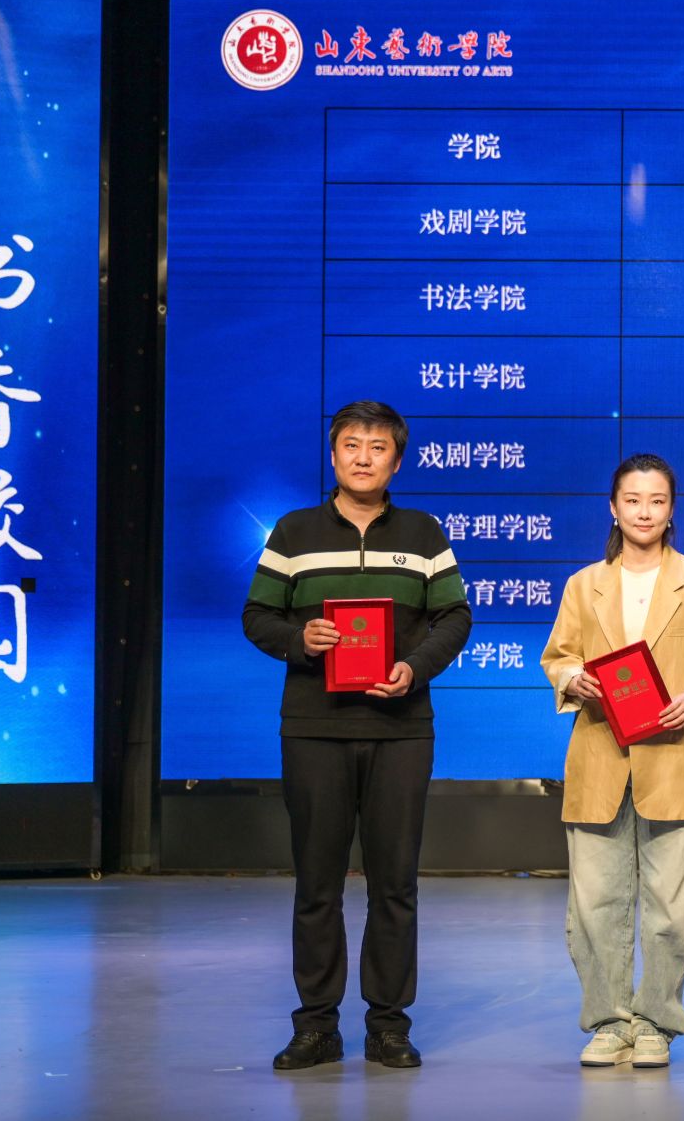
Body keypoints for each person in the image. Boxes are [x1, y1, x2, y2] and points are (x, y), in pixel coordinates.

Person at [243, 400, 472, 1072]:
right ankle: (316, 1026)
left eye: (377, 447)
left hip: (402, 730)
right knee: (317, 882)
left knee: (394, 883)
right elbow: (257, 616)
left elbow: (455, 618)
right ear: (333, 454)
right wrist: (301, 640)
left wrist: (414, 668)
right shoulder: (295, 531)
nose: (363, 457)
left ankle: (388, 1026)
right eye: (351, 445)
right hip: (314, 728)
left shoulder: (424, 532)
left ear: (396, 461)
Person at [539, 454, 684, 1070]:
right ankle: (608, 1022)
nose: (644, 512)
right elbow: (558, 656)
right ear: (613, 508)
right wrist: (574, 678)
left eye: (656, 501)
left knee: (672, 909)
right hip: (600, 755)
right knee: (594, 905)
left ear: (671, 510)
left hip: (673, 756)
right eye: (632, 500)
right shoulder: (585, 584)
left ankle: (656, 1021)